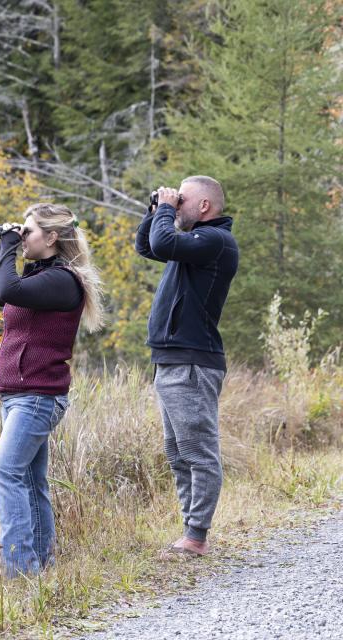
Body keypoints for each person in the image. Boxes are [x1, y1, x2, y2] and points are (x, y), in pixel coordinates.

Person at [0, 203, 104, 577]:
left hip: (37, 397)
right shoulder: (40, 277)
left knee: (5, 471)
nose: (23, 236)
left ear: (51, 238)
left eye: (29, 231)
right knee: (31, 481)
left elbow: (9, 287)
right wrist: (5, 247)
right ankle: (42, 565)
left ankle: (20, 569)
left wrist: (7, 246)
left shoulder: (62, 280)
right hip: (20, 395)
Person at [135, 176, 239, 557]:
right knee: (177, 453)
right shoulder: (193, 245)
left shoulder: (215, 241)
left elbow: (163, 241)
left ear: (205, 207)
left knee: (198, 452)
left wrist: (165, 210)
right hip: (172, 360)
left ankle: (197, 536)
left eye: (182, 200)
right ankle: (189, 531)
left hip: (193, 361)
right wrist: (155, 211)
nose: (176, 206)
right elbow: (148, 245)